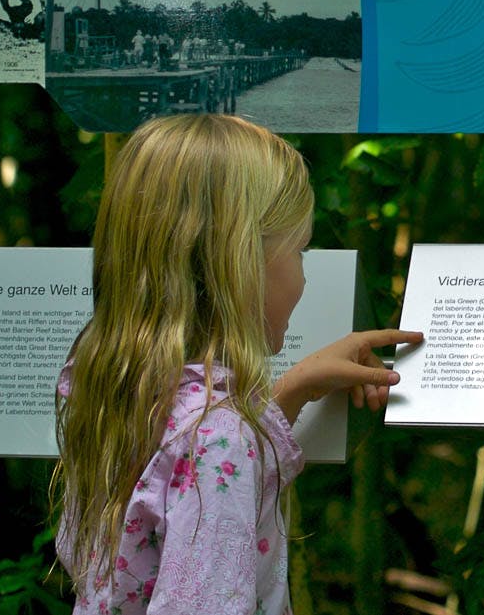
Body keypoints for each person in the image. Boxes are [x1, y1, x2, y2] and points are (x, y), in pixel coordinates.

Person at [52, 113, 423, 613]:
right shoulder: (218, 434)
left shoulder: (108, 382)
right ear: (239, 264)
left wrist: (292, 390)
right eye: (300, 252)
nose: (304, 276)